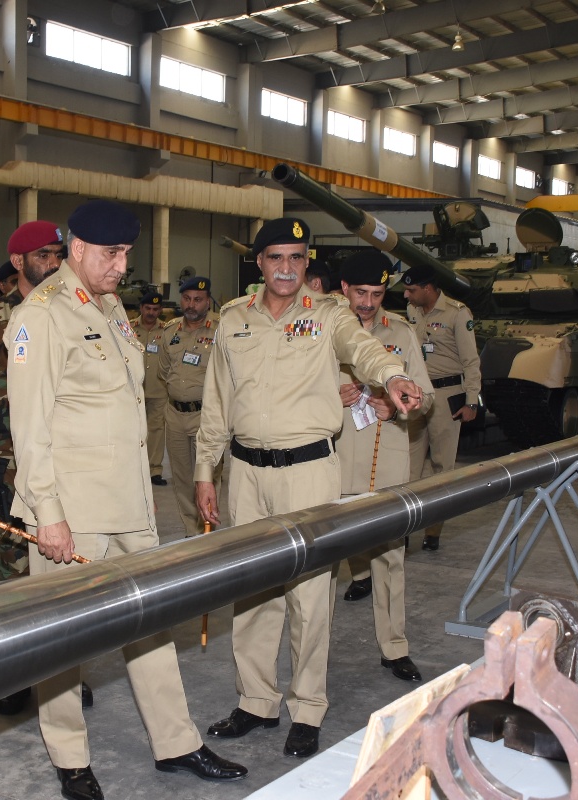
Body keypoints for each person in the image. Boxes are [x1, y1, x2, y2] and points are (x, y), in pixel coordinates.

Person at [6, 199, 247, 800]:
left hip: (130, 503)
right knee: (63, 641)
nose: (122, 267)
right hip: (72, 510)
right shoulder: (41, 316)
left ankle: (177, 742)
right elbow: (29, 430)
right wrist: (48, 516)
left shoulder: (110, 307)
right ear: (78, 249)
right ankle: (70, 760)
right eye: (112, 254)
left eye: (126, 256)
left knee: (153, 623)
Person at [195, 217, 424, 759]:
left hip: (309, 472)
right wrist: (207, 471)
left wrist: (391, 375)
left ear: (305, 263)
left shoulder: (329, 316)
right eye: (276, 258)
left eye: (297, 259)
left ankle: (307, 707)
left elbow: (365, 349)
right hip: (247, 474)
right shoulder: (232, 320)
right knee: (251, 592)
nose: (287, 269)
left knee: (310, 595)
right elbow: (216, 402)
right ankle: (256, 701)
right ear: (259, 262)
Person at [0, 220, 65, 716]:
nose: (54, 263)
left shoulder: (73, 311)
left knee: (64, 573)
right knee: (17, 571)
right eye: (43, 255)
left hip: (68, 462)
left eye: (58, 254)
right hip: (9, 465)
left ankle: (62, 674)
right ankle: (15, 671)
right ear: (19, 262)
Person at [333, 250, 433, 683]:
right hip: (330, 462)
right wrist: (328, 399)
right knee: (319, 566)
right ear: (343, 290)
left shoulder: (403, 334)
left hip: (385, 461)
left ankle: (394, 648)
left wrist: (396, 410)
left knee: (391, 560)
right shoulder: (320, 329)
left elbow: (424, 397)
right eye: (360, 293)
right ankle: (312, 660)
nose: (368, 303)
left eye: (377, 294)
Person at [402, 264, 481, 551]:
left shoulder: (458, 314)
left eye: (411, 290)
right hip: (417, 393)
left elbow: (471, 361)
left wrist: (472, 400)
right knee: (407, 465)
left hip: (447, 395)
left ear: (428, 289)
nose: (406, 295)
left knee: (441, 467)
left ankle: (433, 530)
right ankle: (405, 527)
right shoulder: (412, 312)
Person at [157, 275, 220, 537]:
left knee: (207, 479)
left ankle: (208, 530)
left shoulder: (220, 329)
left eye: (198, 299)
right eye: (187, 298)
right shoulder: (170, 331)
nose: (191, 304)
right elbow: (163, 371)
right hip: (175, 416)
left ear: (208, 301)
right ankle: (190, 533)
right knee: (182, 479)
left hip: (206, 415)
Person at [133, 290, 168, 486]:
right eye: (148, 308)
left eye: (155, 309)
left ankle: (154, 470)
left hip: (158, 388)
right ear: (141, 308)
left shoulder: (166, 330)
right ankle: (134, 468)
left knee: (155, 429)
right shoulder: (128, 328)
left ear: (160, 310)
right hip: (133, 390)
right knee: (133, 429)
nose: (151, 312)